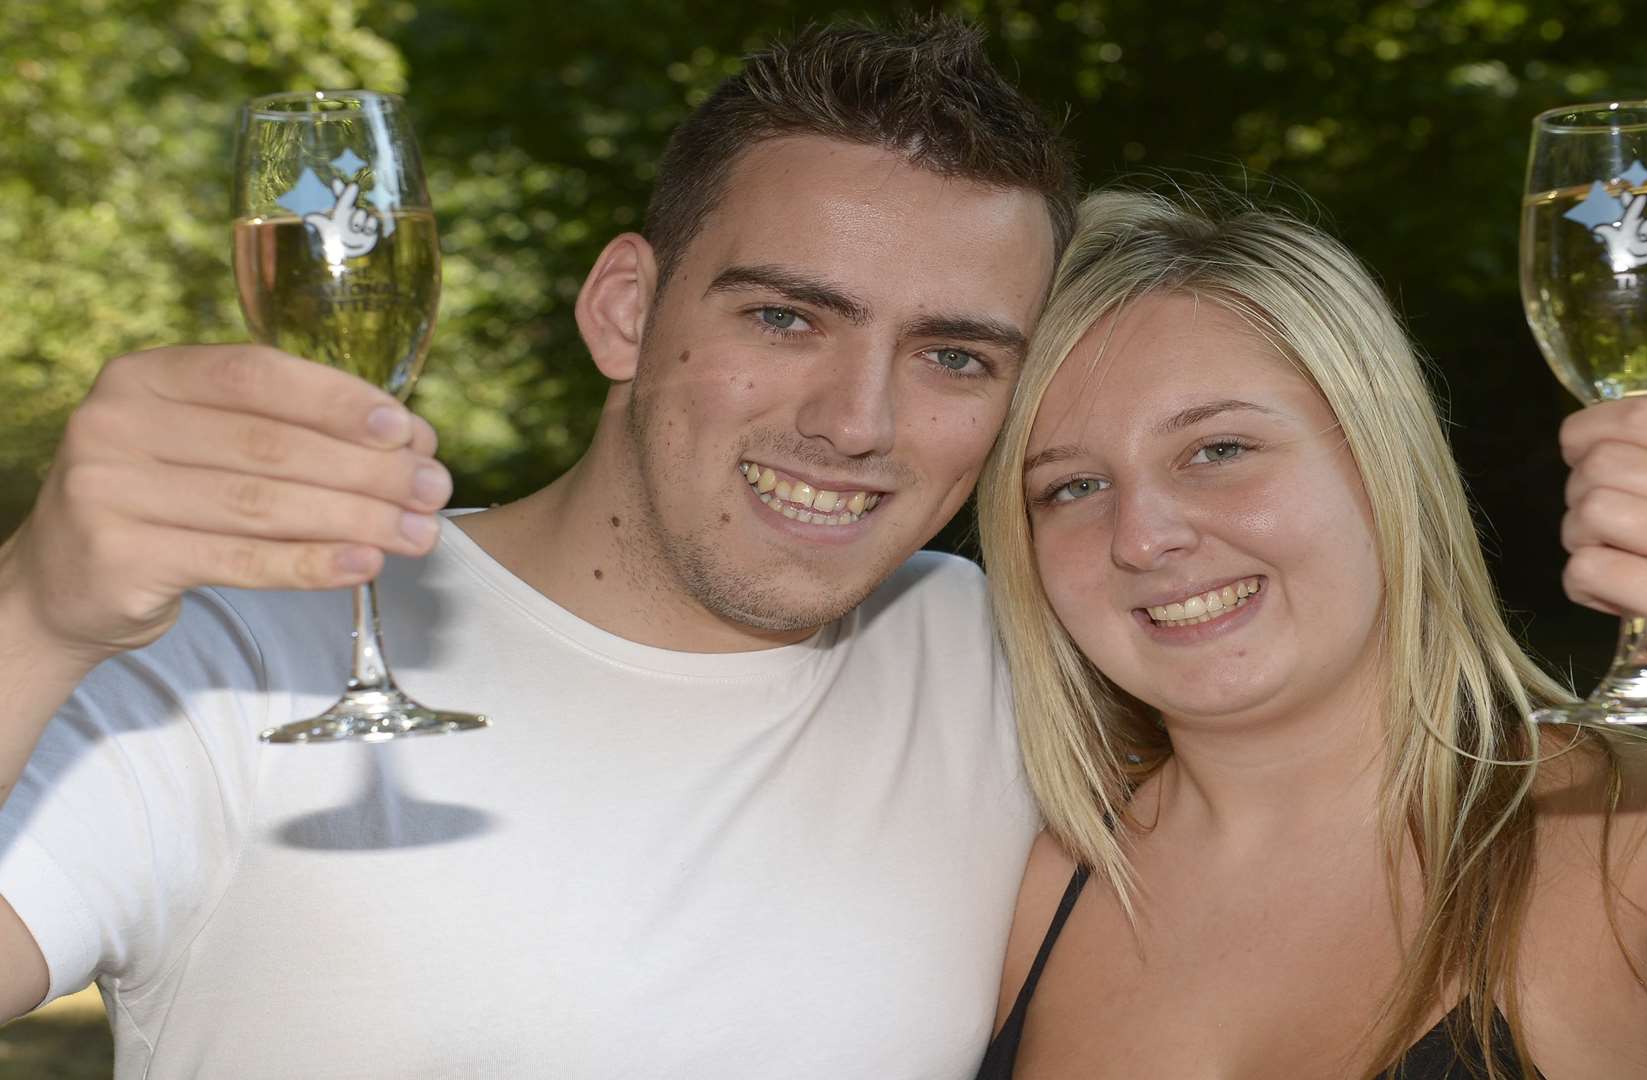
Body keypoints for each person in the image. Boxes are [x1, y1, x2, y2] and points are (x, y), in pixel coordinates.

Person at [0, 18, 1075, 1078]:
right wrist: (33, 619)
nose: (858, 421)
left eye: (953, 356)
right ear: (625, 311)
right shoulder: (237, 652)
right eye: (787, 319)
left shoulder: (998, 658)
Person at [971, 191, 1647, 1078]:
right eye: (1072, 487)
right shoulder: (1035, 886)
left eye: (1220, 449)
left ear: (1385, 461)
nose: (1143, 536)